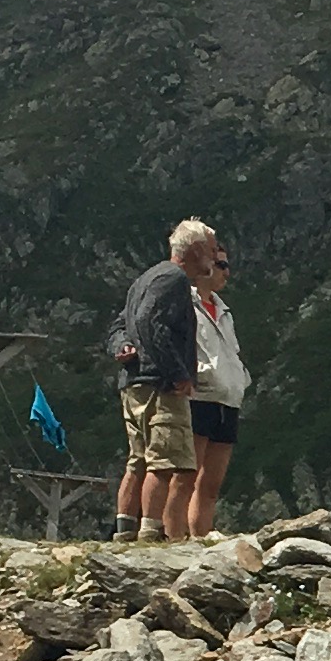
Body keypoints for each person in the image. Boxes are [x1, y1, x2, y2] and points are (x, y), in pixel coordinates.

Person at [111, 218, 214, 544]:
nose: (214, 257)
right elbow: (149, 321)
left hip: (134, 382)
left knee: (138, 460)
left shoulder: (145, 279)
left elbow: (120, 326)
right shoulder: (174, 279)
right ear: (195, 250)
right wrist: (178, 374)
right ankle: (151, 532)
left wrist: (122, 347)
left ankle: (125, 530)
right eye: (211, 250)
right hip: (161, 386)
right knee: (166, 461)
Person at [188, 235, 249, 535]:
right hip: (200, 396)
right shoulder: (186, 304)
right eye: (221, 265)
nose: (227, 272)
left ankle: (201, 536)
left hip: (228, 398)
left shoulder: (224, 311)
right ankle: (177, 537)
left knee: (211, 484)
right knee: (188, 476)